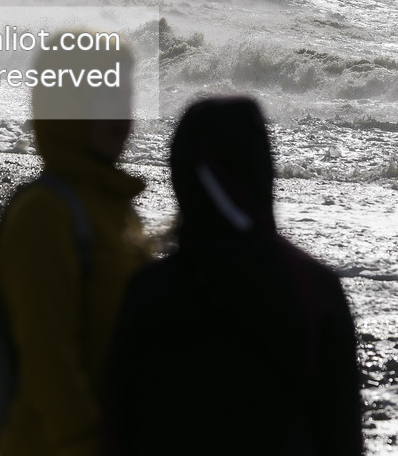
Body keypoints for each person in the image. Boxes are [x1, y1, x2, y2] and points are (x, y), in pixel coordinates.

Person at [102, 96, 363, 456]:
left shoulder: (151, 290)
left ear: (183, 176)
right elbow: (342, 437)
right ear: (262, 170)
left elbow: (117, 431)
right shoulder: (315, 288)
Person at [0, 37, 150, 456]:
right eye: (102, 95)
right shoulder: (44, 214)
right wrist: (86, 442)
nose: (120, 111)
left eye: (126, 94)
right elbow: (47, 359)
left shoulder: (118, 209)